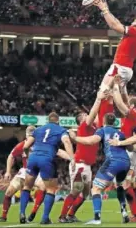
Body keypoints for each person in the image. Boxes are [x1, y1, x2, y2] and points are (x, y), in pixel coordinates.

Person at [68, 113, 131, 225]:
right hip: (126, 162)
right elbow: (130, 146)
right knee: (119, 185)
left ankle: (97, 218)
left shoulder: (102, 130)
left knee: (96, 189)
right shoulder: (120, 133)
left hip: (113, 161)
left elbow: (91, 141)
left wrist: (74, 138)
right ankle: (124, 212)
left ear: (104, 121)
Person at [58, 91, 106, 223]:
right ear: (81, 120)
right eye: (84, 115)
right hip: (80, 164)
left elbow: (99, 116)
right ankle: (62, 216)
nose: (87, 115)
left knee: (85, 194)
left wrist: (106, 100)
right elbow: (93, 115)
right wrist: (98, 99)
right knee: (76, 190)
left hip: (87, 166)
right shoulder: (84, 126)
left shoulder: (93, 127)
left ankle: (71, 215)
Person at [19, 112, 75, 224]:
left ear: (47, 120)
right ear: (58, 121)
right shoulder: (61, 130)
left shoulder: (38, 129)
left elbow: (25, 146)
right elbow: (67, 142)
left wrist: (28, 155)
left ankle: (22, 213)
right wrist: (72, 158)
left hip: (33, 158)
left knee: (27, 186)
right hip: (47, 159)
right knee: (51, 189)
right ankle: (45, 218)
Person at [92, 0, 136, 93]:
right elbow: (117, 22)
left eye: (135, 21)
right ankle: (130, 108)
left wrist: (104, 9)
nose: (132, 22)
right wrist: (108, 11)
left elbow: (114, 25)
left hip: (120, 66)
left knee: (102, 93)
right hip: (126, 69)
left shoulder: (135, 31)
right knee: (117, 97)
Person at [111, 76, 136, 222]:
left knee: (126, 184)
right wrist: (122, 86)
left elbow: (119, 102)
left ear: (132, 106)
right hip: (134, 151)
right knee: (132, 184)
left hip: (129, 151)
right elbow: (125, 100)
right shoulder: (135, 115)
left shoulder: (132, 114)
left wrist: (114, 87)